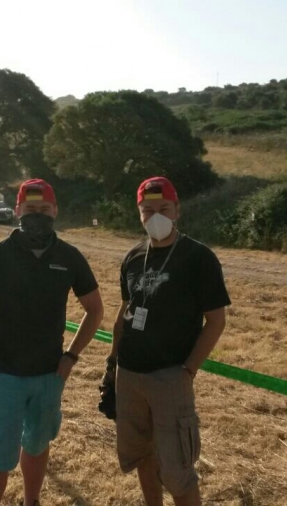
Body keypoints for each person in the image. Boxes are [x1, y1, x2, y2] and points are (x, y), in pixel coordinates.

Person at [0, 179, 104, 506]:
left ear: (55, 211)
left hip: (50, 377)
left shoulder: (70, 257)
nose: (38, 215)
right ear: (18, 210)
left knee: (37, 444)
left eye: (44, 209)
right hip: (6, 376)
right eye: (31, 209)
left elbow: (95, 310)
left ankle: (31, 501)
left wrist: (71, 356)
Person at [103, 176, 230, 506]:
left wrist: (188, 371)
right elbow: (125, 312)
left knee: (178, 470)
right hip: (130, 375)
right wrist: (112, 364)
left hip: (170, 376)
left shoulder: (198, 258)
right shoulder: (133, 257)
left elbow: (216, 321)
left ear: (177, 210)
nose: (155, 216)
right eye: (148, 210)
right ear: (139, 214)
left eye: (163, 208)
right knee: (142, 455)